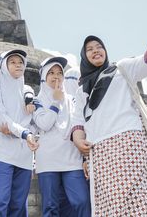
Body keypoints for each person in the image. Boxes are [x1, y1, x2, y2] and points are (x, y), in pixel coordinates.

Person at [73, 13, 147, 216]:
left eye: (99, 47)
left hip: (127, 139)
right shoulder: (81, 90)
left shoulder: (121, 69)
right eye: (89, 49)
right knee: (106, 204)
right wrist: (79, 142)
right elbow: (78, 121)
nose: (95, 51)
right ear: (84, 57)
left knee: (129, 200)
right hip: (99, 148)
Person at [33, 57, 91, 217]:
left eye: (59, 73)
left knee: (81, 201)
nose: (56, 76)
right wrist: (56, 102)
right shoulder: (36, 101)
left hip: (72, 158)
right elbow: (44, 124)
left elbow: (80, 126)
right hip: (48, 160)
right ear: (44, 76)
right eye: (51, 73)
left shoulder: (72, 100)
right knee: (51, 206)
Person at [0, 49, 39, 217]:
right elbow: (2, 119)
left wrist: (30, 134)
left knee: (18, 204)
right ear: (4, 65)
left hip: (24, 154)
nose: (18, 65)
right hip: (3, 152)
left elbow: (33, 121)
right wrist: (25, 134)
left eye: (21, 62)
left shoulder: (28, 91)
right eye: (13, 62)